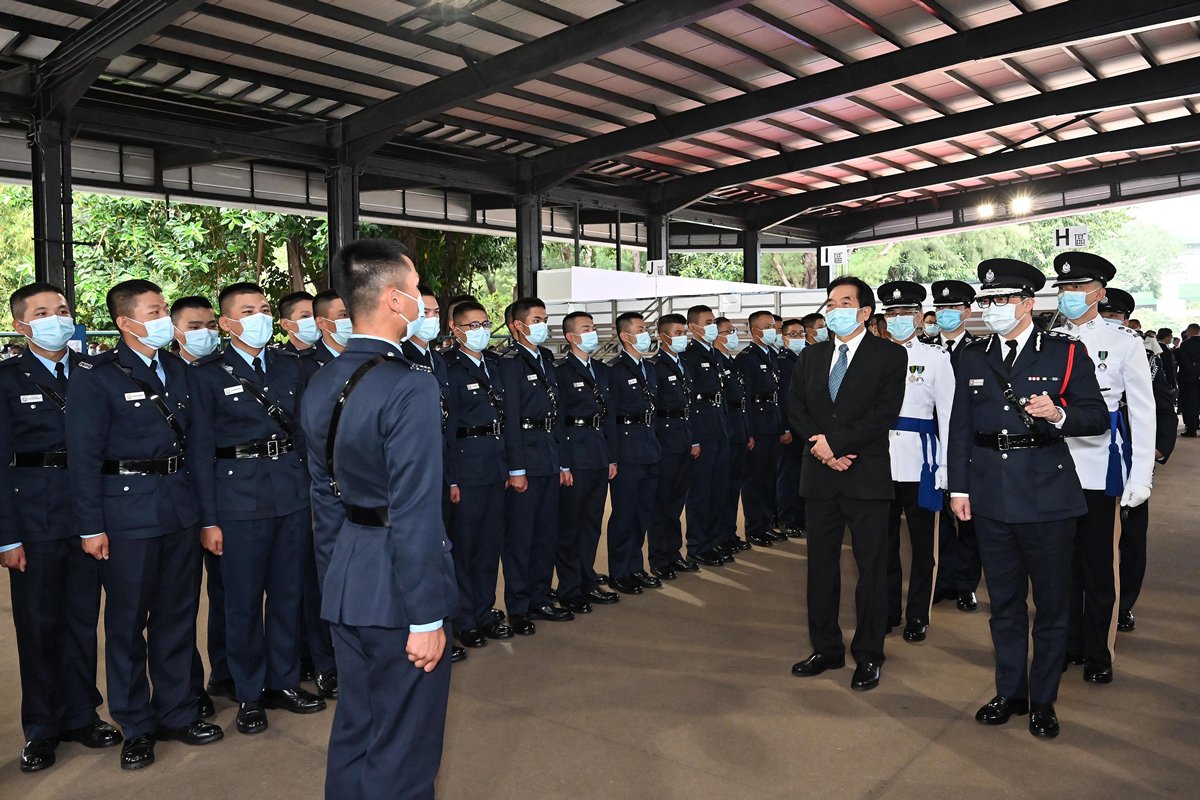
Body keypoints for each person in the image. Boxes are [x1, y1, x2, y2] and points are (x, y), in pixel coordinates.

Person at [301, 239, 455, 800]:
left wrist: (335, 582)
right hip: (398, 588)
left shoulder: (323, 377)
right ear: (394, 299)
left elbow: (324, 499)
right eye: (415, 292)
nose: (420, 302)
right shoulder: (410, 384)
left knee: (357, 730)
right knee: (405, 743)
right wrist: (426, 615)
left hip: (348, 579)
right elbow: (415, 509)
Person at [949, 258, 1109, 739]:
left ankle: (1044, 700)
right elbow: (959, 426)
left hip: (1047, 495)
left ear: (1027, 303)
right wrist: (958, 486)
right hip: (990, 494)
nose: (993, 308)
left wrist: (1059, 413)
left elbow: (1095, 415)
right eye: (988, 301)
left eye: (1002, 300)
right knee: (1005, 604)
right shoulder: (973, 355)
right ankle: (1011, 692)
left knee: (1053, 604)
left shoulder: (1063, 352)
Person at [66, 279, 223, 769]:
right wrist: (90, 527)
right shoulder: (98, 375)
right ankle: (135, 723)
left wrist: (207, 518)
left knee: (177, 617)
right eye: (154, 311)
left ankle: (175, 711)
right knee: (128, 623)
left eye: (162, 309)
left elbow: (198, 450)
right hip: (127, 514)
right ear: (125, 322)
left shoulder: (180, 370)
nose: (163, 319)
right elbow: (84, 457)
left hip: (179, 509)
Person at [189, 282, 326, 736]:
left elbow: (306, 436)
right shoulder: (207, 373)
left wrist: (313, 492)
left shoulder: (290, 366)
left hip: (289, 493)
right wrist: (208, 519)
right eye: (248, 310)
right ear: (227, 323)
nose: (260, 316)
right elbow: (200, 452)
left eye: (265, 308)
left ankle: (283, 681)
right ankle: (247, 692)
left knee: (288, 595)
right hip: (237, 500)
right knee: (244, 601)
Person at [1, 282, 121, 773]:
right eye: (43, 312)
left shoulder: (94, 373)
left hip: (90, 514)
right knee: (37, 625)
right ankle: (41, 728)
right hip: (35, 519)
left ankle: (81, 713)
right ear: (20, 324)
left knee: (80, 620)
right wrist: (6, 535)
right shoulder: (7, 379)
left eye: (64, 309)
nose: (57, 317)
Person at [788, 276, 907, 692]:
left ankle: (869, 654)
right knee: (820, 567)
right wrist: (822, 448)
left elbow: (883, 414)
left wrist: (836, 444)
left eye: (843, 302)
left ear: (863, 311)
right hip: (819, 476)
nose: (833, 309)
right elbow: (796, 407)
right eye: (829, 302)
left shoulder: (889, 356)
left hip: (866, 475)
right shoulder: (811, 356)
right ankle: (826, 648)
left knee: (871, 569)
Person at [1051, 253, 1155, 685]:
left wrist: (1141, 475)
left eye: (1079, 288)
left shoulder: (1124, 340)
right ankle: (1067, 644)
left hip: (1100, 465)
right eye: (1065, 289)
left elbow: (1143, 412)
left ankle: (1098, 649)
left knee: (1098, 564)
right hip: (1054, 465)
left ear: (1100, 293)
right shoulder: (1048, 339)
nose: (1071, 296)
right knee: (1059, 565)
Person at [877, 281, 954, 643]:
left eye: (904, 313)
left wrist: (946, 466)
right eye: (891, 314)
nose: (898, 320)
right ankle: (888, 608)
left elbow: (949, 417)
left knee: (924, 546)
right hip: (877, 462)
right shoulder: (870, 356)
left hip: (921, 463)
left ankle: (918, 613)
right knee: (882, 542)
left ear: (919, 317)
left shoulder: (936, 358)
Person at [1099, 288, 1173, 633]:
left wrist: (1159, 448)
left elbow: (1158, 405)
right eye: (1106, 314)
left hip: (1129, 451)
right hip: (1096, 452)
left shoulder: (1143, 354)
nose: (1109, 320)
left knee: (1130, 535)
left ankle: (1124, 603)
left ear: (1126, 320)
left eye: (1115, 316)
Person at [276, 289, 339, 686]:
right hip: (316, 484)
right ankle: (321, 661)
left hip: (353, 484)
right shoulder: (301, 365)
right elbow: (303, 432)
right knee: (313, 579)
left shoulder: (360, 360)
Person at [499, 297, 574, 630]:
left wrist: (562, 462)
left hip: (548, 455)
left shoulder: (544, 358)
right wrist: (516, 468)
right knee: (521, 536)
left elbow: (556, 416)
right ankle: (518, 606)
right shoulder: (509, 363)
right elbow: (511, 419)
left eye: (546, 318)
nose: (544, 324)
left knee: (547, 532)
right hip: (526, 460)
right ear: (518, 325)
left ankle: (540, 596)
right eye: (538, 318)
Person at [168, 296, 227, 716]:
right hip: (170, 503)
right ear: (175, 329)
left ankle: (224, 672)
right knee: (178, 605)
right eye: (194, 325)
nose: (204, 332)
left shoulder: (219, 371)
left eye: (210, 324)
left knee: (225, 593)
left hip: (221, 500)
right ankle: (187, 689)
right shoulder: (166, 373)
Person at [444, 301, 515, 647]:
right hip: (466, 467)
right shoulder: (449, 368)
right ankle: (465, 618)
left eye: (485, 323)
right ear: (456, 330)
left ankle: (486, 612)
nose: (481, 330)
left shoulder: (495, 366)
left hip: (494, 465)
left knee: (489, 546)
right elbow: (448, 428)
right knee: (465, 547)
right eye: (472, 325)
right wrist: (452, 478)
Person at [402, 286, 465, 663]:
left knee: (443, 550)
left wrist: (452, 476)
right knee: (419, 551)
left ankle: (443, 626)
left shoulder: (435, 359)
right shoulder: (399, 358)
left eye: (436, 311)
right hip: (414, 471)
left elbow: (448, 424)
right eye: (424, 311)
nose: (432, 318)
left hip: (440, 468)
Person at [555, 312, 620, 613]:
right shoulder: (561, 372)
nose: (592, 333)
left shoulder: (601, 371)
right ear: (570, 337)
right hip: (574, 455)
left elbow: (608, 418)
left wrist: (611, 457)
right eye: (586, 329)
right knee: (570, 525)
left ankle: (587, 577)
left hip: (596, 453)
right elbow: (557, 422)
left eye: (593, 328)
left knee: (592, 523)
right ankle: (569, 587)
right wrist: (563, 464)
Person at [929, 280, 983, 612]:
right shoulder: (924, 349)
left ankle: (966, 583)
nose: (946, 314)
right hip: (930, 442)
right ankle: (943, 579)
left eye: (953, 308)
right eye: (940, 309)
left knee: (967, 517)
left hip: (970, 445)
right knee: (936, 517)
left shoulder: (980, 350)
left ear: (967, 311)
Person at [606, 312, 665, 583]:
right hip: (628, 451)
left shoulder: (649, 368)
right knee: (624, 514)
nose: (646, 334)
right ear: (625, 335)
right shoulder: (615, 371)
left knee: (643, 512)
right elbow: (611, 417)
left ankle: (636, 566)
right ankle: (620, 572)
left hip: (650, 447)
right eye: (641, 329)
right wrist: (613, 457)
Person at [646, 314, 703, 582]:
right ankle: (659, 557)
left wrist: (693, 439)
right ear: (663, 336)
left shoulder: (683, 364)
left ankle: (674, 552)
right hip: (665, 440)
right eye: (678, 332)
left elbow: (688, 407)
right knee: (662, 502)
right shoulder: (656, 366)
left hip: (683, 436)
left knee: (677, 500)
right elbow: (654, 410)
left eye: (684, 332)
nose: (683, 337)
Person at [682, 305, 734, 565]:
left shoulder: (714, 354)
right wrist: (694, 437)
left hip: (720, 427)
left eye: (714, 321)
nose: (713, 326)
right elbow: (689, 401)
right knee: (701, 491)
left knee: (719, 489)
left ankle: (713, 539)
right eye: (708, 321)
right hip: (703, 430)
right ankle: (698, 544)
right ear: (694, 327)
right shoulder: (690, 356)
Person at [737, 310, 788, 548]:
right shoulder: (747, 358)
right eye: (767, 326)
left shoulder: (771, 354)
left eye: (774, 326)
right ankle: (754, 527)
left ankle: (767, 523)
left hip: (772, 422)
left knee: (769, 477)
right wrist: (748, 432)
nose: (773, 330)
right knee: (755, 479)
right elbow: (745, 398)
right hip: (757, 426)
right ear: (755, 330)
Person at [714, 316, 752, 553]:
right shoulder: (715, 361)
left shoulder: (731, 361)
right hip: (724, 430)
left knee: (732, 487)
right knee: (721, 488)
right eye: (727, 331)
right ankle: (719, 535)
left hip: (738, 428)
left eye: (733, 330)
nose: (733, 335)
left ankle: (728, 532)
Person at [776, 318, 807, 538]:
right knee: (789, 475)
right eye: (793, 335)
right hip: (791, 426)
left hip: (805, 426)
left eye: (801, 334)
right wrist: (785, 427)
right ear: (784, 338)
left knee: (802, 475)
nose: (799, 338)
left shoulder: (805, 357)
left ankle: (801, 516)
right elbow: (784, 399)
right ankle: (787, 518)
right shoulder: (782, 361)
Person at [312, 288, 351, 366]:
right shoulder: (304, 365)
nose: (354, 320)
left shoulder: (374, 358)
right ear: (321, 323)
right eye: (344, 315)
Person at [279, 290, 320, 355]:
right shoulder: (279, 361)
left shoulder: (332, 353)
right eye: (305, 316)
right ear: (285, 324)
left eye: (316, 315)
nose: (314, 320)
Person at [1178, 322, 1200, 436]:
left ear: (1190, 331)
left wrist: (1194, 373)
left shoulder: (1185, 345)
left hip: (1188, 379)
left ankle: (1191, 428)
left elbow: (1185, 363)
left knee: (1190, 403)